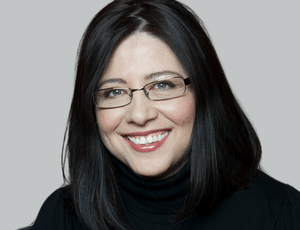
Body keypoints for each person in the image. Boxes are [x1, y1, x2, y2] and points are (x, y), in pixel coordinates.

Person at [19, 0, 300, 229]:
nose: (139, 115)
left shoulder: (280, 214)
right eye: (114, 92)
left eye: (163, 85)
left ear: (204, 91)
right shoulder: (61, 217)